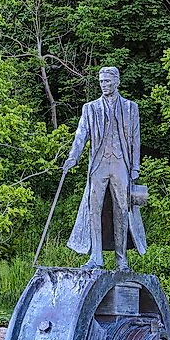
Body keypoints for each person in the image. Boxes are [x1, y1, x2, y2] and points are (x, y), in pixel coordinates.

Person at [63, 67, 147, 271]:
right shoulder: (90, 108)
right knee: (95, 209)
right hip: (98, 165)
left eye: (107, 81)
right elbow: (81, 135)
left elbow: (136, 139)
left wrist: (135, 167)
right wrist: (73, 157)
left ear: (116, 82)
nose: (104, 85)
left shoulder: (130, 108)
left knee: (122, 210)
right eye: (101, 81)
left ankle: (121, 260)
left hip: (121, 165)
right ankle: (96, 257)